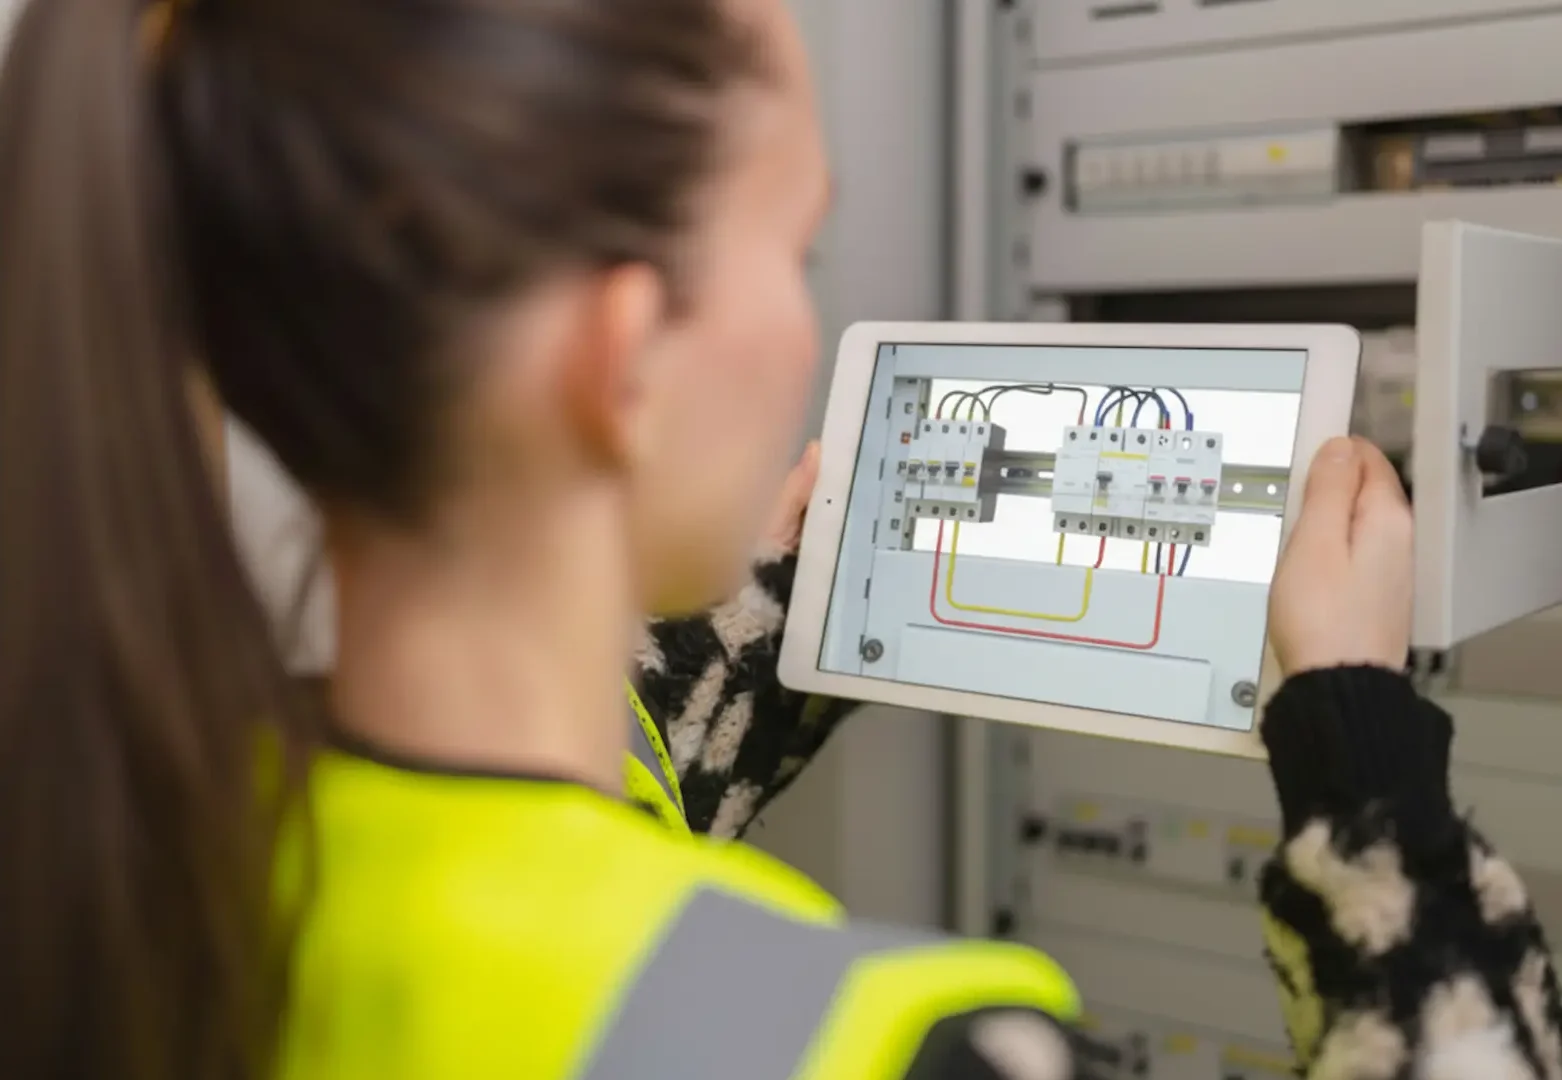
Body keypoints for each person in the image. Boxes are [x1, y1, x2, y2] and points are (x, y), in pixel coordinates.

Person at [0, 0, 1554, 1077]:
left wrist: (822, 591)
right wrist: (1360, 757)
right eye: (792, 247)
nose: (808, 318)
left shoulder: (146, 851)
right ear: (624, 362)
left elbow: (619, 770)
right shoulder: (894, 1049)